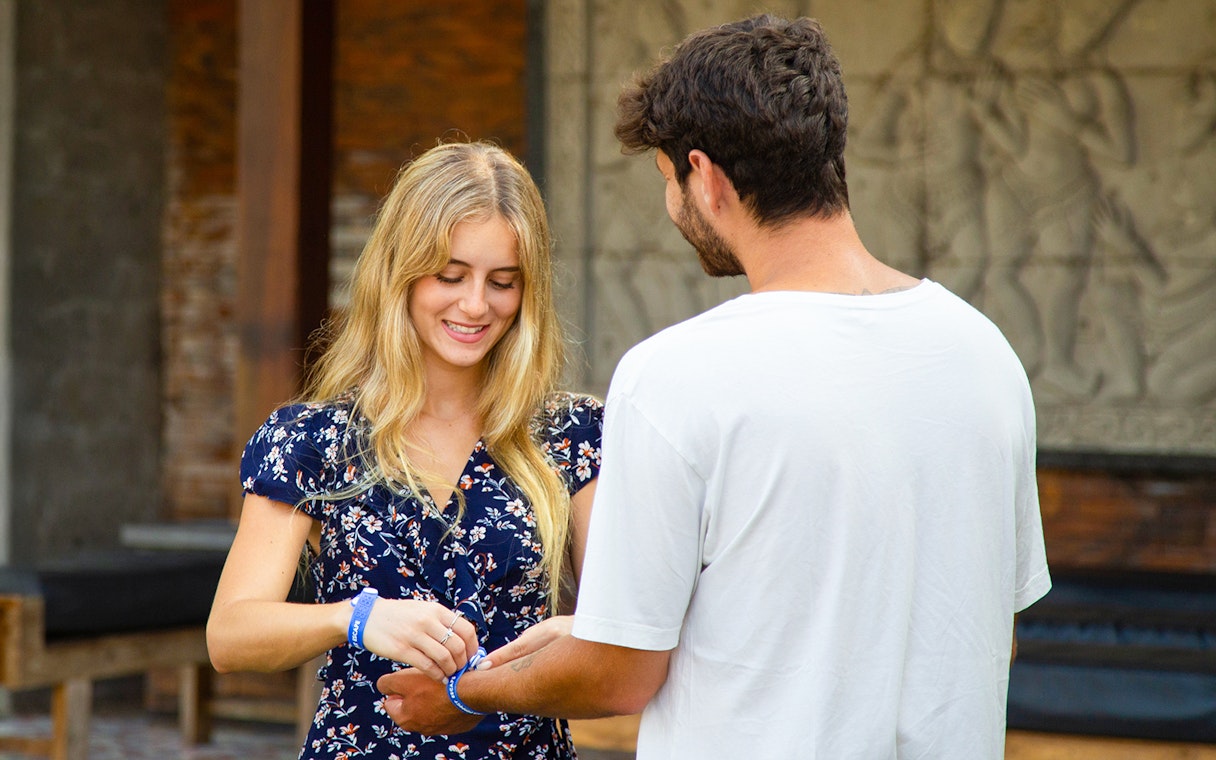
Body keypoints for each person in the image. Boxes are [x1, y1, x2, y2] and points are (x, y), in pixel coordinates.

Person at [377, 15, 1051, 760]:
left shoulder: (676, 377)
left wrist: (466, 693)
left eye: (668, 183)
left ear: (705, 175)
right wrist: (619, 633)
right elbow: (989, 632)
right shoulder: (983, 353)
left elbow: (618, 676)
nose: (674, 209)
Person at [206, 141, 603, 760]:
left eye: (502, 283)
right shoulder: (313, 440)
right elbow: (230, 636)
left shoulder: (574, 435)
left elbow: (618, 647)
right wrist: (356, 617)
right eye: (450, 276)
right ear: (400, 271)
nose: (476, 305)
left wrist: (555, 651)